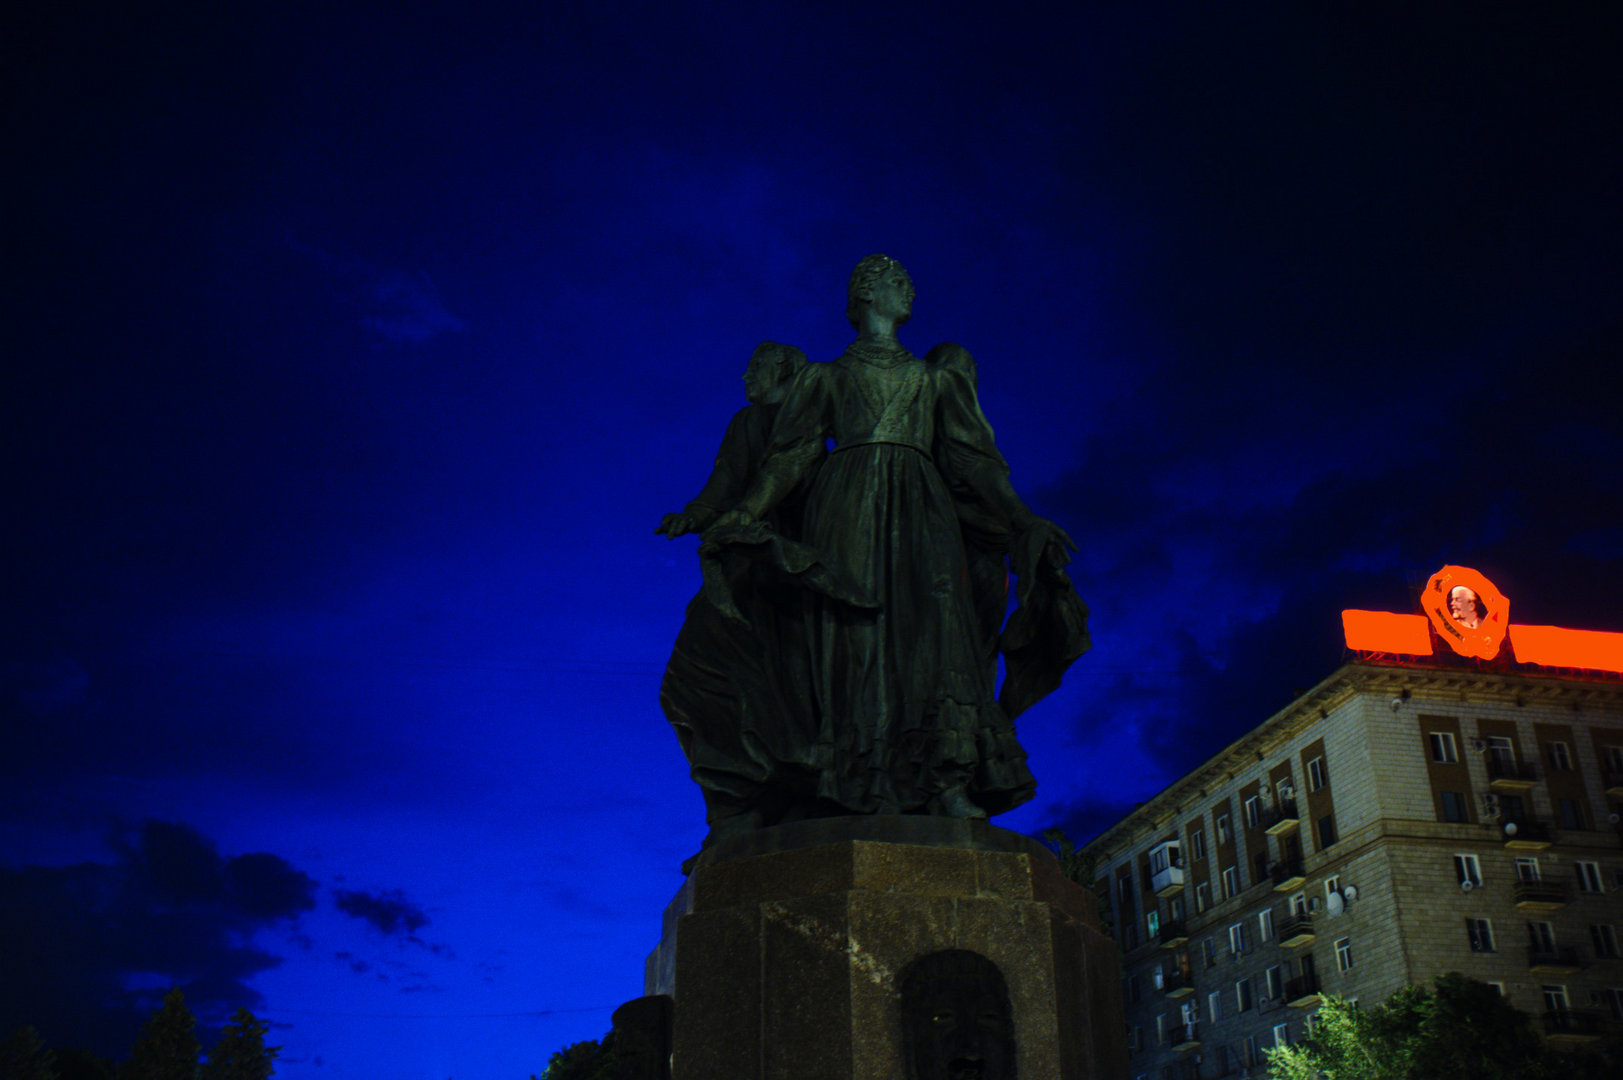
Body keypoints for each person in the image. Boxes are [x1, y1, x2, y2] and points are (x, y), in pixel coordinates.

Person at [708, 254, 1088, 820]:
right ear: (865, 293)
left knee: (938, 631)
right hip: (847, 506)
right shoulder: (825, 377)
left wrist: (1021, 516)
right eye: (896, 281)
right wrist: (746, 511)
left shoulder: (936, 380)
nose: (909, 289)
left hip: (923, 506)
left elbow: (976, 460)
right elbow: (791, 456)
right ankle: (851, 779)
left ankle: (946, 780)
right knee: (854, 637)